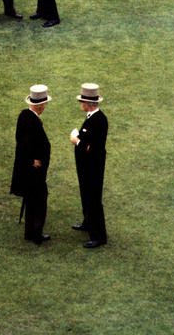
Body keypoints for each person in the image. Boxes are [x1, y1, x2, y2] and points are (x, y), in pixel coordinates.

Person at [10, 84, 52, 245]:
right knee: (38, 200)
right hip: (33, 171)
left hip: (27, 169)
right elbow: (24, 143)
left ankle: (30, 231)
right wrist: (32, 161)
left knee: (32, 199)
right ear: (40, 106)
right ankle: (36, 233)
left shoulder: (24, 116)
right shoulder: (31, 121)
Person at [69, 83, 108, 248]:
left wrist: (76, 139)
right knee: (86, 194)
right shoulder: (92, 117)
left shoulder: (98, 120)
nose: (80, 104)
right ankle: (88, 222)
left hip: (93, 166)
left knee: (93, 198)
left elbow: (90, 147)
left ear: (87, 103)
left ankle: (98, 236)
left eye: (82, 101)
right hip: (87, 166)